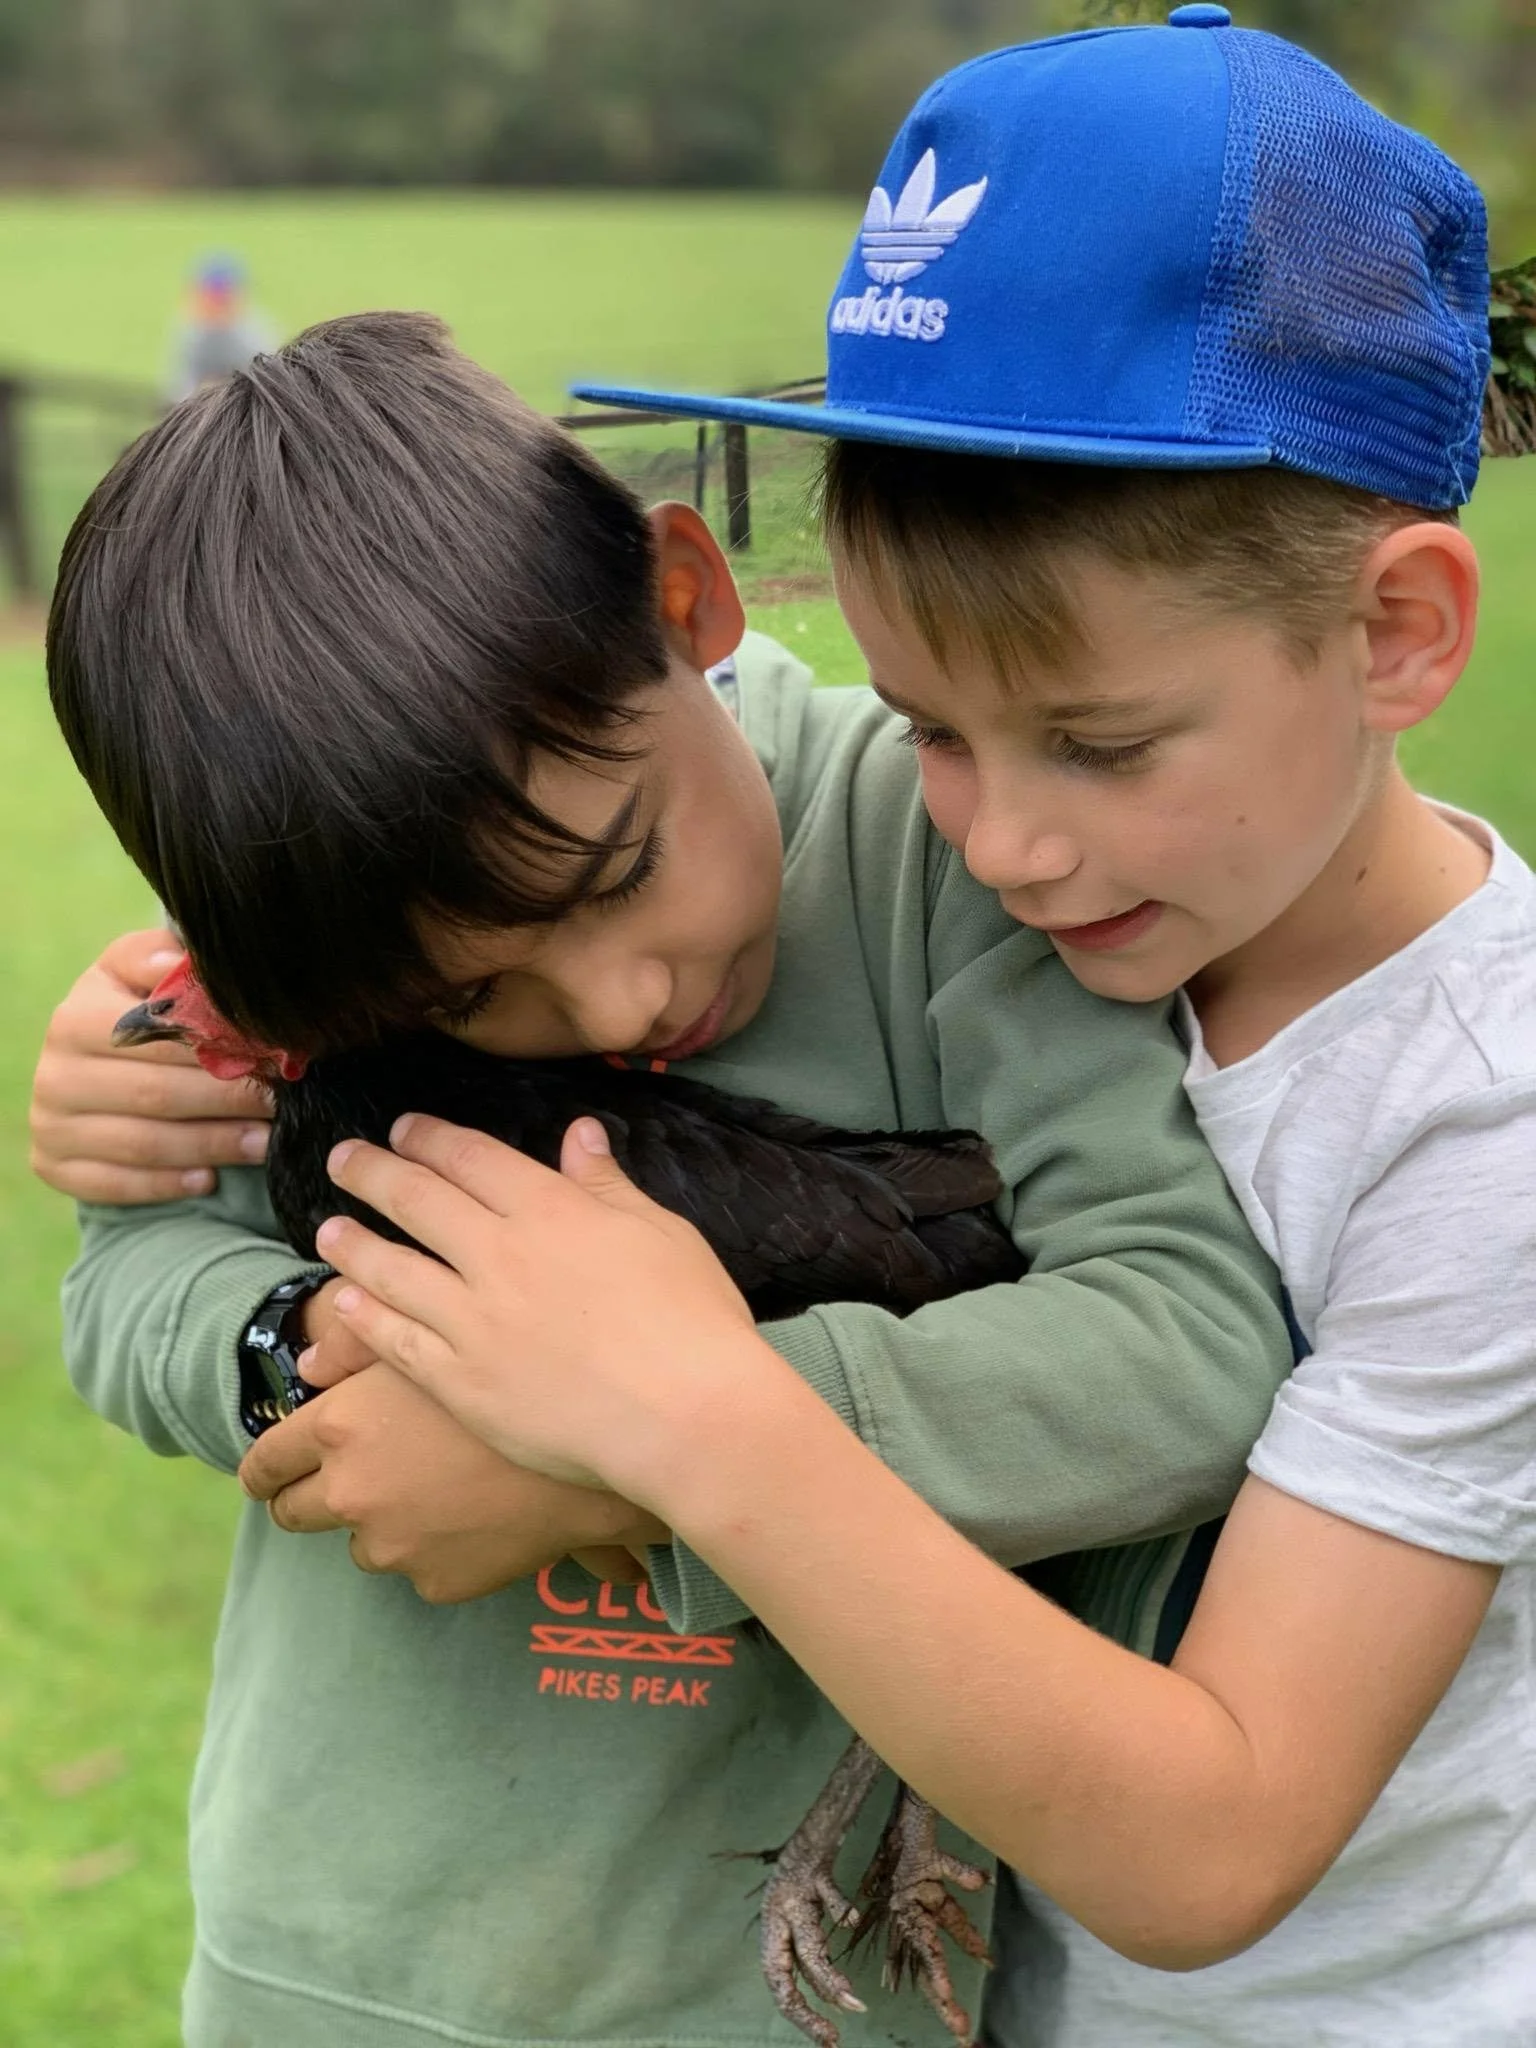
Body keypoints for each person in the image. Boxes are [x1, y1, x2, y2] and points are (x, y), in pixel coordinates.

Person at [298, 12, 1535, 2047]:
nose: (1014, 840)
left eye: (1099, 742)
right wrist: (198, 1017)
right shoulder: (966, 878)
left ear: (1398, 631)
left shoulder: (1481, 1124)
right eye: (931, 729)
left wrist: (679, 1429)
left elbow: (1210, 1847)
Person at [37, 310, 1290, 2048]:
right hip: (322, 1954)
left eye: (622, 867)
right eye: (466, 997)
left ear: (688, 599)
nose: (621, 1003)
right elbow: (128, 1275)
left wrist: (619, 1449)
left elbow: (1182, 1342)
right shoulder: (332, 884)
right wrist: (319, 1343)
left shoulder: (953, 849)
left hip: (786, 1998)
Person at [164, 254, 276, 404]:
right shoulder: (190, 333)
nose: (213, 305)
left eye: (220, 298)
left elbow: (266, 387)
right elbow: (180, 386)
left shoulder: (254, 338)